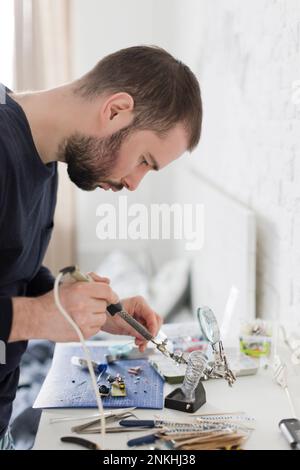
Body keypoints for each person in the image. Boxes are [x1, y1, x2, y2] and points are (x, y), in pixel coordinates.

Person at [0, 45, 202, 449]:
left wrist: (90, 308)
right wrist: (37, 318)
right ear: (115, 110)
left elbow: (12, 274)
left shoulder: (43, 162)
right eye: (144, 160)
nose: (134, 183)